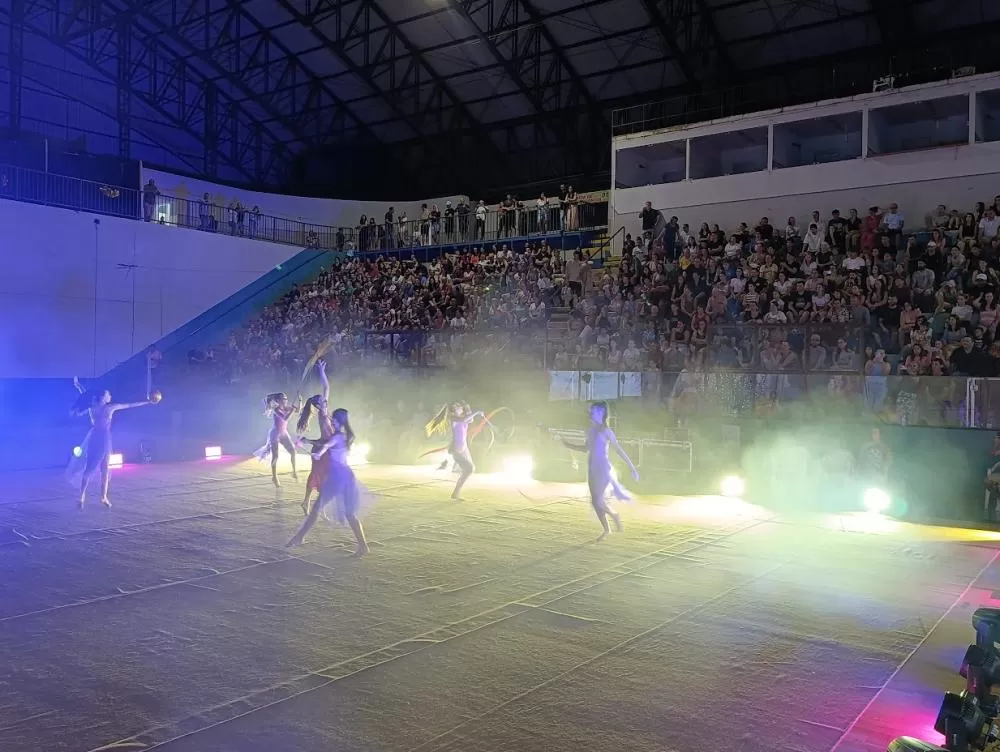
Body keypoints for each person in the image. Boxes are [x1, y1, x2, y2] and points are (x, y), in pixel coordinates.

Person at [287, 407, 370, 555]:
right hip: (346, 476)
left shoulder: (337, 437)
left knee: (318, 508)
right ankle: (363, 546)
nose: (331, 421)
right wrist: (308, 443)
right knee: (349, 514)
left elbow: (325, 445)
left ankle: (299, 537)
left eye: (333, 420)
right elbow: (325, 444)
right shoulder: (345, 436)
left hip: (337, 477)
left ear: (338, 422)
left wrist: (318, 453)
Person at [561, 401, 639, 541]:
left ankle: (614, 516)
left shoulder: (607, 431)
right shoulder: (590, 430)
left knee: (598, 499)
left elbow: (619, 450)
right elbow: (586, 449)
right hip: (591, 468)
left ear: (602, 413)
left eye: (596, 410)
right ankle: (607, 529)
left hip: (603, 469)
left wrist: (632, 467)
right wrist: (568, 445)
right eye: (592, 410)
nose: (592, 412)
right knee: (595, 502)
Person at [69, 388, 157, 509]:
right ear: (104, 397)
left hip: (94, 436)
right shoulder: (109, 408)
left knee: (89, 468)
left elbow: (84, 398)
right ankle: (103, 496)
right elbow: (129, 405)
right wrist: (147, 402)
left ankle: (81, 497)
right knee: (104, 468)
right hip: (104, 437)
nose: (110, 395)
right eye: (108, 394)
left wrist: (78, 389)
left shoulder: (91, 407)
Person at [296, 361, 334, 516]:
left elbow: (326, 388)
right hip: (322, 449)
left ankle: (311, 503)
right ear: (319, 406)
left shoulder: (325, 411)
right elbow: (325, 440)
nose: (325, 401)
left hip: (327, 449)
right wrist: (309, 441)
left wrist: (322, 371)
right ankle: (309, 502)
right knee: (317, 476)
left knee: (323, 477)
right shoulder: (323, 416)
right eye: (322, 401)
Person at [426, 402, 483, 500]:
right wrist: (477, 412)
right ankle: (455, 493)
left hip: (464, 448)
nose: (460, 407)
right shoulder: (454, 419)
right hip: (457, 449)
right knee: (469, 469)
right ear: (454, 410)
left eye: (460, 406)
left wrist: (468, 407)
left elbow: (470, 419)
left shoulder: (462, 418)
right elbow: (466, 419)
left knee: (470, 469)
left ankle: (456, 493)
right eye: (458, 407)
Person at [255, 391, 301, 487]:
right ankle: (274, 477)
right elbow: (285, 418)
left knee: (293, 452)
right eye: (284, 399)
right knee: (275, 457)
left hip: (284, 434)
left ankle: (294, 472)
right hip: (275, 434)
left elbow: (298, 411)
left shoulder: (286, 407)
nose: (286, 400)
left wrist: (300, 401)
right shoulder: (276, 409)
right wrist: (292, 410)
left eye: (286, 399)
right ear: (279, 400)